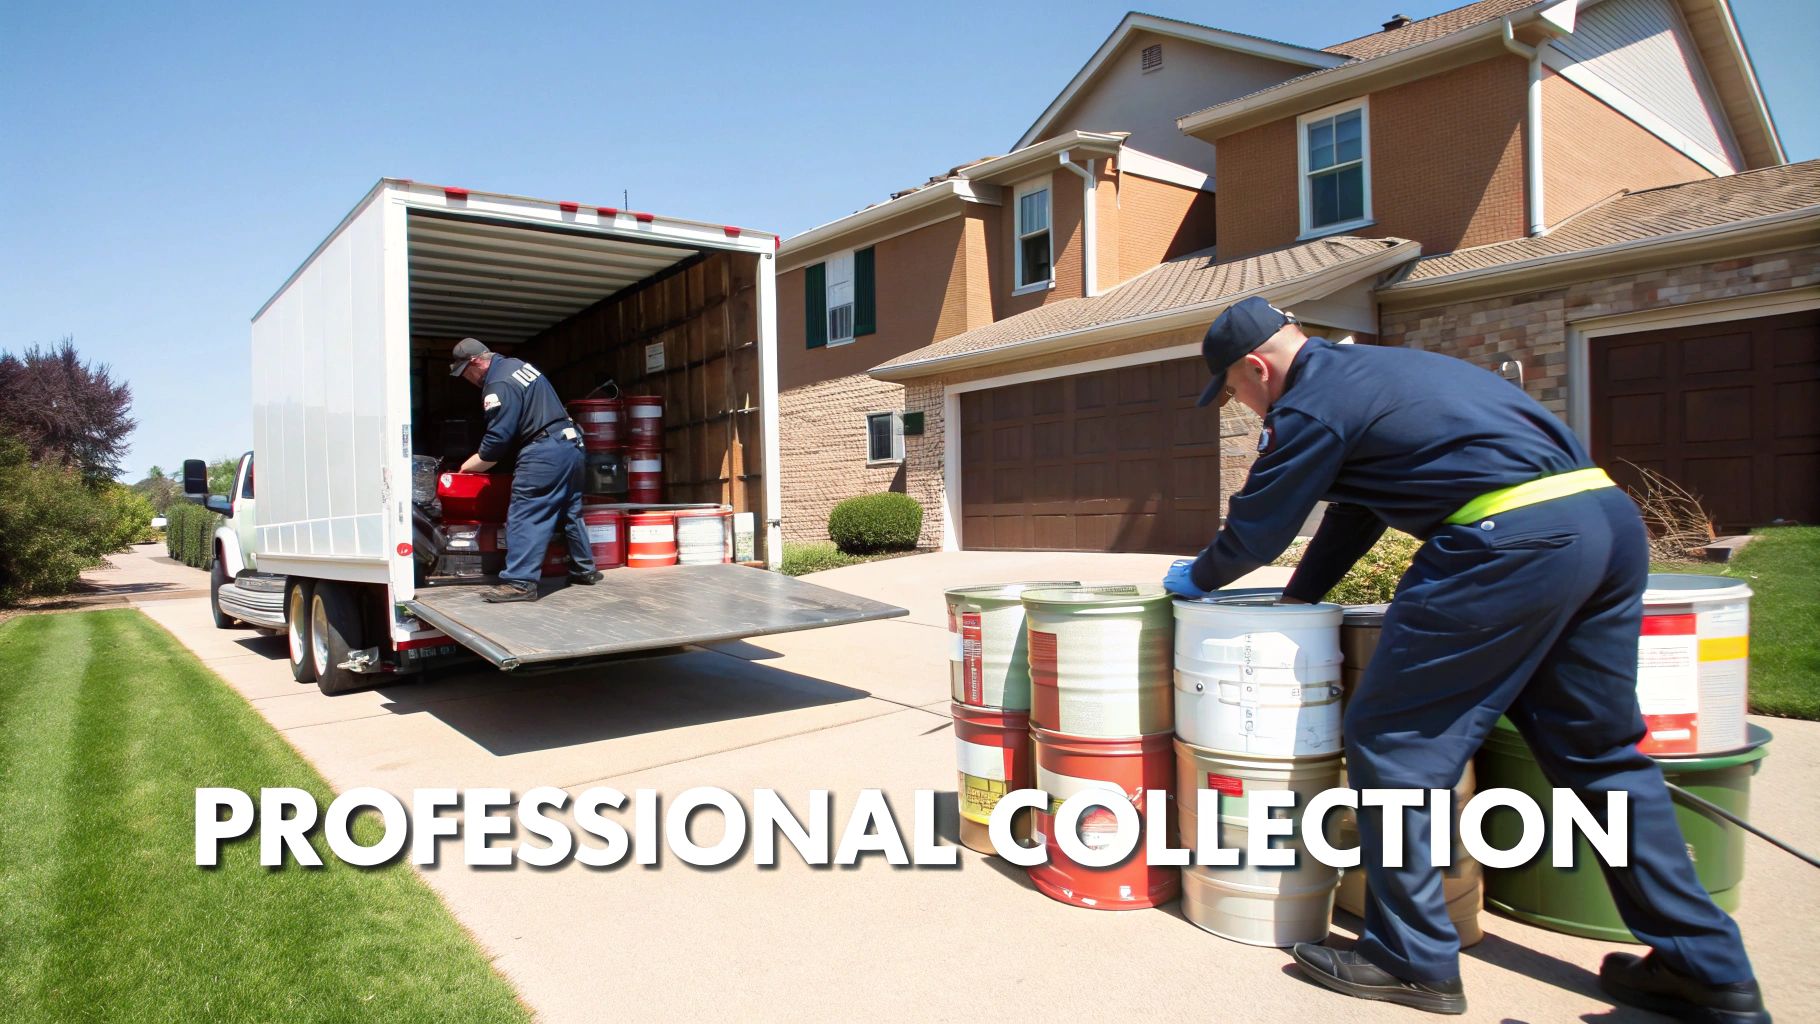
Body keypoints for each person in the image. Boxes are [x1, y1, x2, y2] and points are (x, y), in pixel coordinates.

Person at [1163, 297, 1767, 1021]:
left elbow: (1258, 529)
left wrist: (1198, 580)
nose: (1241, 403)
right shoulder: (1383, 373)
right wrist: (1302, 599)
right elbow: (1356, 512)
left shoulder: (1310, 405)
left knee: (1396, 739)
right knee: (1599, 752)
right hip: (1602, 523)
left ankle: (1409, 957)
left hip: (1508, 542)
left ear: (1257, 367)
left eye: (1233, 390)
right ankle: (1707, 968)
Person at [450, 337, 600, 603]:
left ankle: (520, 582)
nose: (467, 379)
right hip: (571, 443)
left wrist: (468, 467)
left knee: (525, 511)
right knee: (569, 509)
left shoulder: (497, 384)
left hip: (545, 450)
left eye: (466, 372)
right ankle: (583, 569)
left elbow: (497, 441)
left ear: (476, 363)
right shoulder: (517, 365)